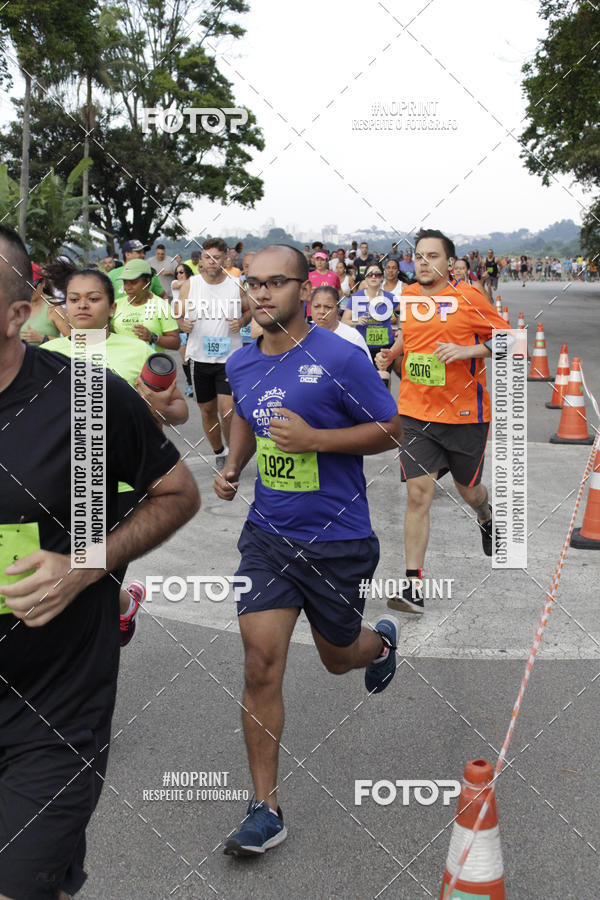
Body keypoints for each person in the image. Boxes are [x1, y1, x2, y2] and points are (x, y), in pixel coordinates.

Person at [0, 224, 200, 899]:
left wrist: (86, 566)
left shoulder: (82, 395)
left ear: (17, 314)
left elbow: (176, 492)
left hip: (51, 703)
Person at [214, 244, 403, 857]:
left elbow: (390, 429)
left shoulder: (340, 358)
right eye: (254, 284)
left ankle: (379, 642)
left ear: (304, 290)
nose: (262, 293)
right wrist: (234, 464)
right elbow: (246, 413)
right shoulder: (242, 362)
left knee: (338, 658)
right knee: (259, 662)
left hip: (337, 540)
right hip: (268, 535)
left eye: (276, 283)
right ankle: (264, 807)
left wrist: (316, 439)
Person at [43, 268, 189, 644]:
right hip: (59, 483)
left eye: (93, 298)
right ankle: (123, 605)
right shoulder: (46, 355)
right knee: (74, 578)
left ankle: (89, 660)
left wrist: (153, 404)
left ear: (111, 307)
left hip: (119, 484)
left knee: (90, 579)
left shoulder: (138, 350)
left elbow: (178, 413)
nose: (82, 305)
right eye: (73, 299)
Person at [375, 229, 508, 615]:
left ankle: (485, 515)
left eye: (432, 256)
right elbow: (411, 337)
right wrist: (392, 353)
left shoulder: (469, 297)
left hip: (465, 416)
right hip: (417, 413)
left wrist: (467, 349)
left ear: (450, 263)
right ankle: (413, 586)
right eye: (418, 255)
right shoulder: (410, 295)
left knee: (470, 491)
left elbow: (506, 340)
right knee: (418, 495)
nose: (423, 262)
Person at [179, 237, 251, 471]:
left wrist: (241, 321)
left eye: (217, 258)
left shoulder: (235, 283)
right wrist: (183, 324)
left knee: (228, 410)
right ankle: (219, 450)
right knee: (207, 410)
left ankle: (232, 453)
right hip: (200, 357)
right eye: (207, 257)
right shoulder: (191, 284)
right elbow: (178, 313)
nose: (212, 262)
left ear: (224, 259)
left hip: (229, 357)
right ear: (201, 259)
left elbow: (250, 310)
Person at [341, 262, 395, 384]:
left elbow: (405, 311)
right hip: (363, 348)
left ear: (382, 277)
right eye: (370, 275)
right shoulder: (356, 297)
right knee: (365, 383)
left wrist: (400, 328)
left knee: (383, 380)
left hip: (385, 347)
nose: (374, 277)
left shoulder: (391, 298)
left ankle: (386, 403)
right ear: (365, 278)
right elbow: (344, 321)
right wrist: (356, 321)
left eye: (377, 274)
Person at [111, 259, 180, 351]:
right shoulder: (116, 305)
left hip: (150, 364)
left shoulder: (161, 306)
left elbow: (175, 343)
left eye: (133, 282)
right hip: (122, 364)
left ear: (147, 281)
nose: (127, 287)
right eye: (125, 282)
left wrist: (152, 337)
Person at [311, 285, 370, 358]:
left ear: (338, 309)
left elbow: (365, 368)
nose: (322, 311)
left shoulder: (353, 338)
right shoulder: (301, 333)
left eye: (328, 307)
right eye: (316, 306)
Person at [19, 265, 63, 346]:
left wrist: (43, 338)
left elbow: (73, 342)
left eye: (33, 286)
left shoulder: (53, 307)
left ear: (43, 283)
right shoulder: (17, 305)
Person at [172, 262, 195, 395]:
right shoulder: (175, 283)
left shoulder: (195, 285)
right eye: (177, 272)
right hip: (180, 324)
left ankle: (197, 382)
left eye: (182, 272)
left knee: (195, 357)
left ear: (187, 272)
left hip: (194, 323)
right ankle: (190, 384)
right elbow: (179, 284)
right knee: (185, 358)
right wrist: (192, 279)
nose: (179, 275)